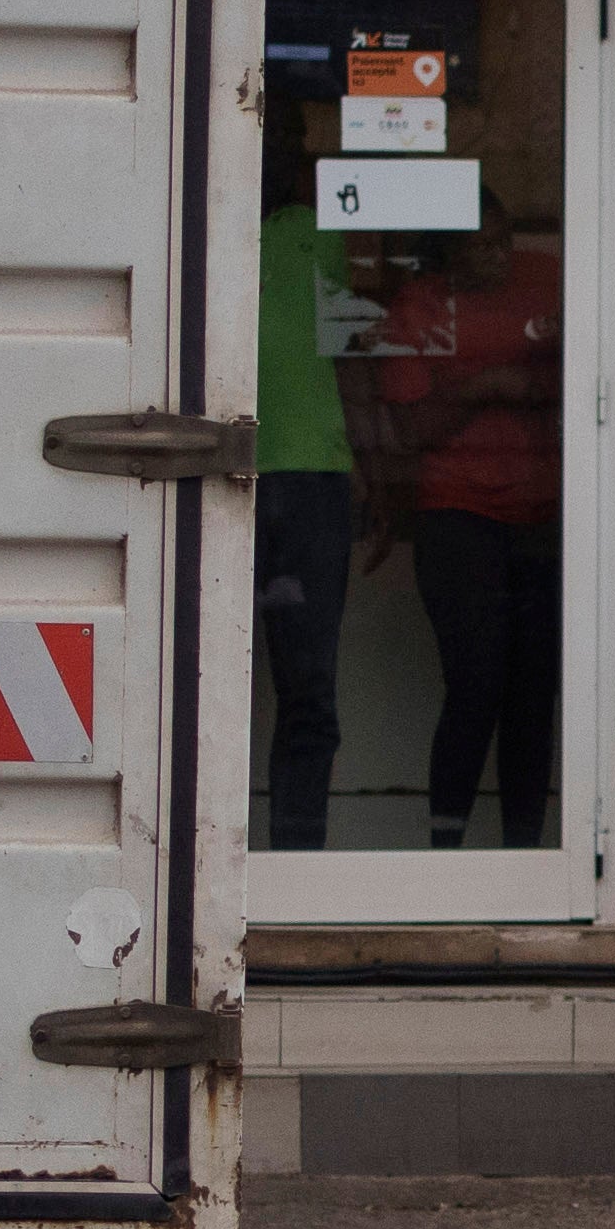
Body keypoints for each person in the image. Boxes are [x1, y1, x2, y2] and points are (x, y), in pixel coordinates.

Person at [373, 218, 564, 848]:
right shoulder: (419, 307)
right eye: (480, 245)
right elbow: (412, 430)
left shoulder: (547, 277)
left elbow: (598, 370)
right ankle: (445, 858)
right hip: (458, 514)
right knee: (476, 687)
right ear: (448, 253)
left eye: (502, 242)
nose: (497, 256)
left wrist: (536, 384)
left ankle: (527, 859)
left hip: (543, 515)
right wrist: (489, 385)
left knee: (533, 698)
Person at [253, 168, 360, 854]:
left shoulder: (316, 231)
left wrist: (374, 468)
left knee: (308, 694)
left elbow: (348, 356)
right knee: (185, 692)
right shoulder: (190, 213)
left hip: (312, 478)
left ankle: (295, 871)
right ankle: (196, 873)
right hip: (211, 467)